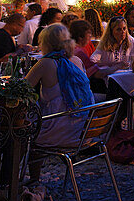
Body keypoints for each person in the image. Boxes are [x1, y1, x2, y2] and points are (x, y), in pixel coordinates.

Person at [25, 23, 96, 183]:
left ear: (46, 43)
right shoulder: (76, 61)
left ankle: (29, 182)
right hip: (83, 131)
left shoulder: (46, 63)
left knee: (23, 135)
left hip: (58, 131)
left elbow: (21, 89)